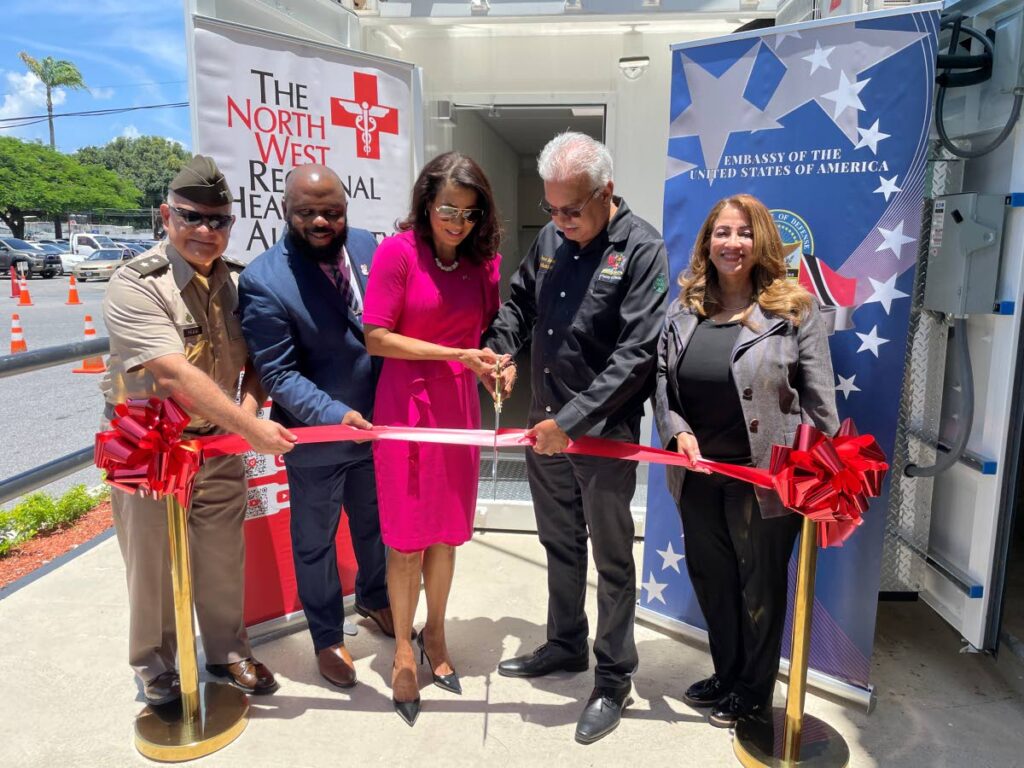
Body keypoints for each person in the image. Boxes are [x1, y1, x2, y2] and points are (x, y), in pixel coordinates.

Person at [482, 132, 669, 745]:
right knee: (560, 542)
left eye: (572, 210)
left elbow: (637, 354)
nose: (561, 223)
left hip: (601, 433)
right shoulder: (550, 239)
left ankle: (614, 676)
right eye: (552, 210)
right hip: (545, 425)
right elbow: (518, 305)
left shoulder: (640, 250)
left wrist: (572, 424)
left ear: (606, 192)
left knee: (613, 559)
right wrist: (501, 351)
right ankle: (565, 644)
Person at [102, 155, 297, 706]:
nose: (207, 231)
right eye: (192, 217)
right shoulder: (136, 283)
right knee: (153, 563)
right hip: (149, 443)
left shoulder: (238, 282)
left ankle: (226, 651)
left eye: (219, 220)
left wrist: (251, 412)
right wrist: (252, 428)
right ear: (166, 216)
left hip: (218, 439)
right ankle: (155, 664)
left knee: (220, 555)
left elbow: (261, 356)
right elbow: (172, 371)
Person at [653, 193, 839, 728]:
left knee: (759, 585)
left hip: (767, 479)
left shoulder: (795, 310)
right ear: (707, 243)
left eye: (743, 233)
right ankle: (726, 672)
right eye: (721, 233)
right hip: (698, 476)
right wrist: (677, 432)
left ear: (762, 241)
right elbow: (662, 384)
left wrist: (813, 474)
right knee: (712, 580)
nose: (732, 243)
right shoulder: (683, 309)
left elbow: (820, 403)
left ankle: (754, 689)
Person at [237, 165, 393, 691]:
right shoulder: (264, 280)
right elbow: (277, 373)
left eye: (333, 211)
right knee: (315, 542)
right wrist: (333, 416)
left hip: (378, 432)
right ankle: (327, 636)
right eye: (308, 212)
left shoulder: (371, 248)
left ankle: (375, 600)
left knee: (374, 528)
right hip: (319, 439)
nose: (322, 221)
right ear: (287, 211)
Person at [361, 152, 503, 727]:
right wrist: (456, 355)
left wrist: (492, 364)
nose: (457, 222)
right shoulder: (398, 254)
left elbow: (487, 333)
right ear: (425, 202)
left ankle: (436, 634)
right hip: (406, 407)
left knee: (445, 533)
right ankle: (401, 647)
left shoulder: (482, 265)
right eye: (448, 208)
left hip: (458, 410)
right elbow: (376, 337)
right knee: (405, 538)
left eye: (469, 213)